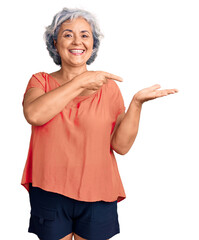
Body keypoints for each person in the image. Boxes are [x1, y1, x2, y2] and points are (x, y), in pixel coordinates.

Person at [21, 7, 178, 240]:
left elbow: (121, 146)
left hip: (98, 193)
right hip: (50, 191)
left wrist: (137, 103)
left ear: (93, 44)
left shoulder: (109, 88)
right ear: (55, 43)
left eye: (85, 35)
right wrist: (81, 80)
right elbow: (34, 114)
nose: (77, 41)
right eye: (67, 34)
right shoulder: (40, 81)